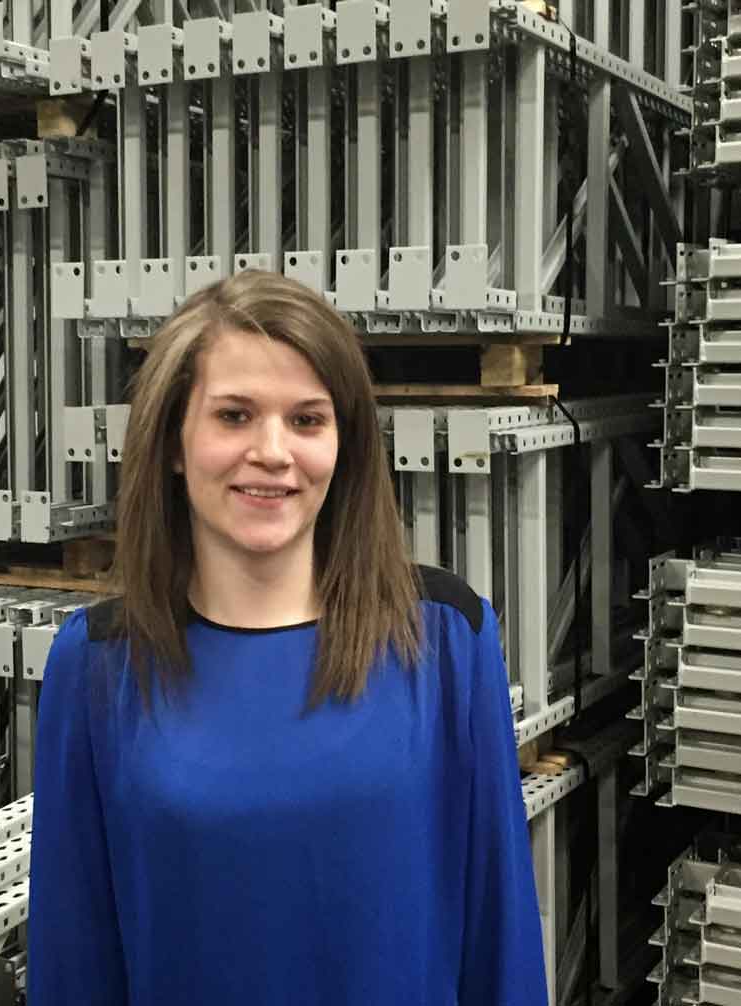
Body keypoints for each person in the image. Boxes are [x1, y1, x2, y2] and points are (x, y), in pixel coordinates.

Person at [27, 270, 547, 1005]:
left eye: (307, 420)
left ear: (346, 444)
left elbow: (502, 939)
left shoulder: (445, 639)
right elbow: (71, 958)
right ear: (174, 442)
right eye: (234, 416)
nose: (273, 452)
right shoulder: (100, 663)